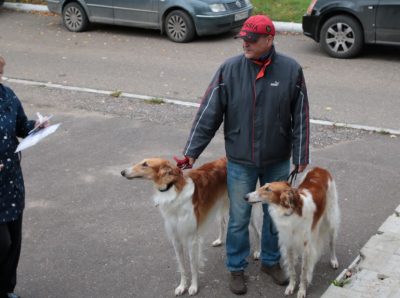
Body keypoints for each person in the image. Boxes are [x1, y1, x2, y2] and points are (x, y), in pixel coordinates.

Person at [179, 15, 310, 295]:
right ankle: (236, 267)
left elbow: (300, 117)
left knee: (276, 215)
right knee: (238, 218)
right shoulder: (229, 70)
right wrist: (191, 153)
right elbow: (209, 113)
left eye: (251, 40)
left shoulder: (291, 70)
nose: (245, 45)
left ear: (269, 39)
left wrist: (301, 154)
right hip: (239, 160)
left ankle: (271, 262)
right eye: (243, 39)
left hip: (277, 158)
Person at [0, 56, 49, 298]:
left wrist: (36, 126)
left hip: (10, 182)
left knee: (14, 242)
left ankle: (7, 289)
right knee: (2, 244)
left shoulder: (7, 95)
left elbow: (20, 125)